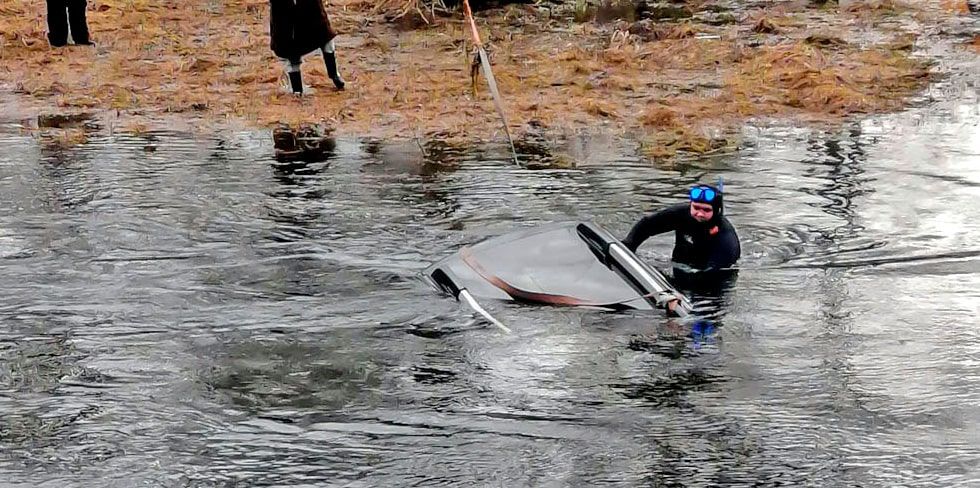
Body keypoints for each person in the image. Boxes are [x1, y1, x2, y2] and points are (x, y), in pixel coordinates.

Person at [622, 183, 740, 289]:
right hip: (679, 267)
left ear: (717, 211)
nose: (699, 213)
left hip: (713, 281)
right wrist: (628, 246)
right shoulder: (681, 214)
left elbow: (714, 273)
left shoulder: (726, 239)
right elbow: (647, 225)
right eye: (696, 208)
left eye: (706, 210)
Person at [269, 0, 346, 95]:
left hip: (311, 10)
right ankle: (297, 91)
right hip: (284, 15)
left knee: (326, 39)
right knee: (291, 52)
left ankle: (335, 75)